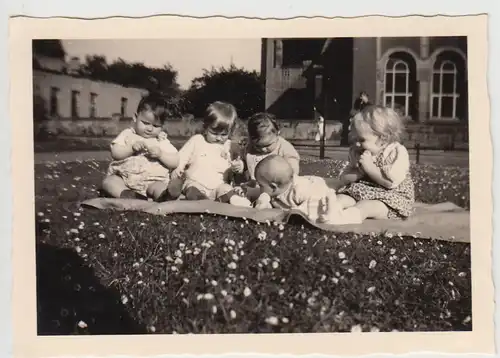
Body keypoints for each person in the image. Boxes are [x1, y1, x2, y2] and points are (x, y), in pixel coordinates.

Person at [318, 105, 415, 224]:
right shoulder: (358, 152)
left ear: (383, 138)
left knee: (366, 206)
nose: (357, 144)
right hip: (363, 192)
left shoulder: (395, 152)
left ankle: (345, 218)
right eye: (355, 139)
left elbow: (391, 183)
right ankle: (330, 209)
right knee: (343, 198)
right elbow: (344, 178)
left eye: (362, 140)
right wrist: (358, 173)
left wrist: (370, 169)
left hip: (390, 199)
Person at [165, 101, 251, 206]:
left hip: (219, 186)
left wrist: (239, 166)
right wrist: (178, 169)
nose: (219, 138)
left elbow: (240, 164)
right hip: (196, 182)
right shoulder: (197, 140)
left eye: (224, 134)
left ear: (230, 131)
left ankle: (235, 200)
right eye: (214, 133)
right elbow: (181, 157)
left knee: (226, 189)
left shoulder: (231, 146)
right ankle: (201, 200)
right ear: (205, 127)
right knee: (192, 188)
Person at [100, 93, 180, 201]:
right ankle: (127, 194)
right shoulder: (127, 134)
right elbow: (115, 153)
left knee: (159, 187)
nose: (150, 129)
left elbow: (175, 161)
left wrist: (161, 154)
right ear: (135, 117)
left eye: (156, 126)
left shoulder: (161, 140)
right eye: (145, 123)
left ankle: (164, 195)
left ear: (162, 125)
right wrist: (130, 148)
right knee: (109, 182)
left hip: (153, 181)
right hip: (125, 179)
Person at [252, 154, 352, 224]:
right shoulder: (274, 192)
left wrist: (297, 211)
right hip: (311, 184)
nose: (259, 188)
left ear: (274, 187)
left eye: (260, 185)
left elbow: (313, 201)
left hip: (326, 187)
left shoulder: (299, 191)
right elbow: (260, 197)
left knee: (344, 198)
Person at [231, 112, 300, 202]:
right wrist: (240, 166)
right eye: (258, 146)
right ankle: (243, 200)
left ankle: (257, 203)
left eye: (268, 145)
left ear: (277, 133)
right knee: (240, 190)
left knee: (266, 198)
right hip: (256, 185)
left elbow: (292, 169)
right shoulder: (250, 148)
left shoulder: (285, 148)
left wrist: (291, 172)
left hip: (277, 189)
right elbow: (245, 160)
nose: (263, 150)